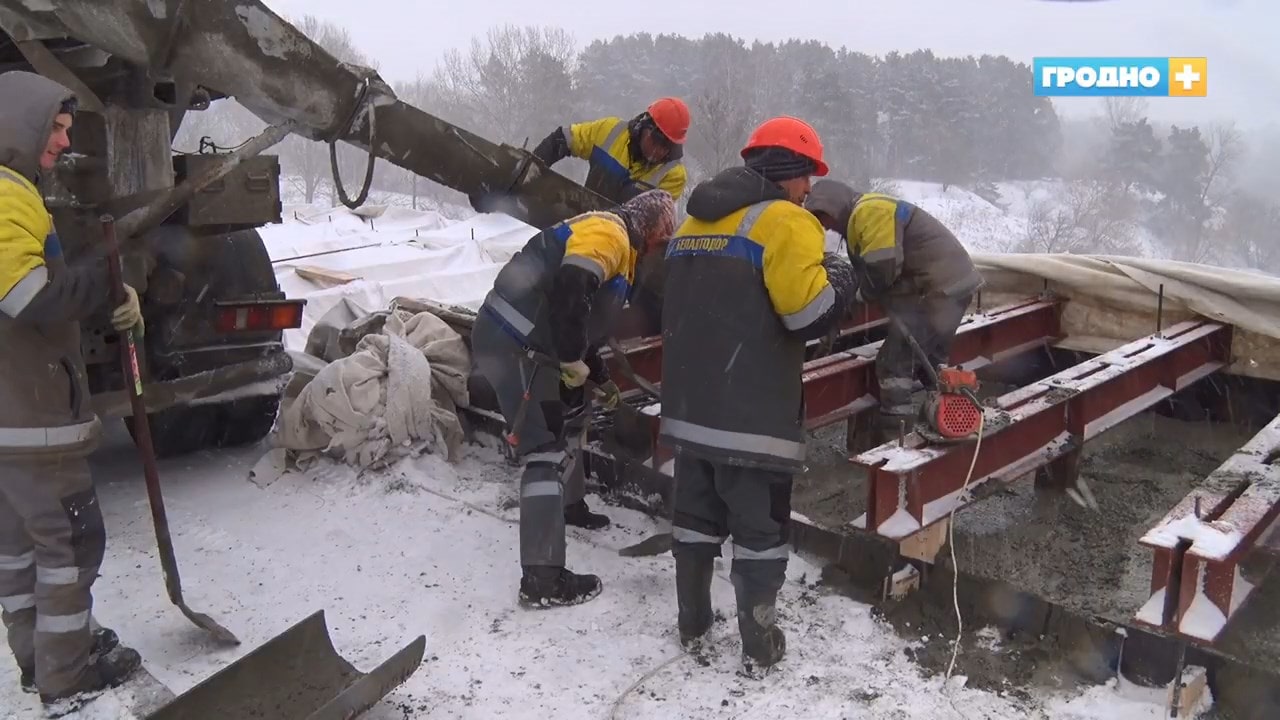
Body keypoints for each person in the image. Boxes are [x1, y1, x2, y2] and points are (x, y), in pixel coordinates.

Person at [658, 117, 856, 674]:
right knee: (760, 532)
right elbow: (806, 313)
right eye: (807, 178)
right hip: (751, 415)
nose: (809, 191)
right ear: (790, 172)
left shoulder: (694, 220)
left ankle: (693, 622)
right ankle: (759, 644)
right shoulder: (787, 222)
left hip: (690, 409)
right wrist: (840, 279)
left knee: (694, 518)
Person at [0, 70, 145, 707]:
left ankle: (41, 658)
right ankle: (68, 675)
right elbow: (27, 297)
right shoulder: (7, 194)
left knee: (19, 550)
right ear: (20, 124)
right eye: (54, 127)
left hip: (8, 418)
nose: (62, 141)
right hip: (31, 415)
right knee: (72, 542)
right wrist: (106, 286)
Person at [471, 189, 677, 608]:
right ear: (654, 230)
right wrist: (569, 359)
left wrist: (599, 377)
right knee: (542, 450)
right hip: (513, 347)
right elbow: (571, 288)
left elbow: (578, 315)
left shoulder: (613, 241)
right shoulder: (611, 235)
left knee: (569, 416)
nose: (660, 251)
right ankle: (543, 579)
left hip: (522, 344)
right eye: (663, 241)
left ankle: (569, 506)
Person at [804, 180, 984, 441]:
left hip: (938, 291)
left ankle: (895, 439)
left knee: (893, 364)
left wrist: (853, 299)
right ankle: (949, 420)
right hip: (950, 287)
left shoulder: (868, 211)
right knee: (930, 363)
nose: (825, 225)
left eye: (823, 216)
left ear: (835, 205)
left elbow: (882, 267)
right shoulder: (865, 215)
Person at [530, 97, 691, 204]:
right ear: (644, 126)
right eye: (656, 140)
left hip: (624, 245)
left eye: (667, 146)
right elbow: (564, 139)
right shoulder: (611, 130)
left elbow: (651, 223)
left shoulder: (674, 175)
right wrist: (530, 168)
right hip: (583, 224)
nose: (658, 150)